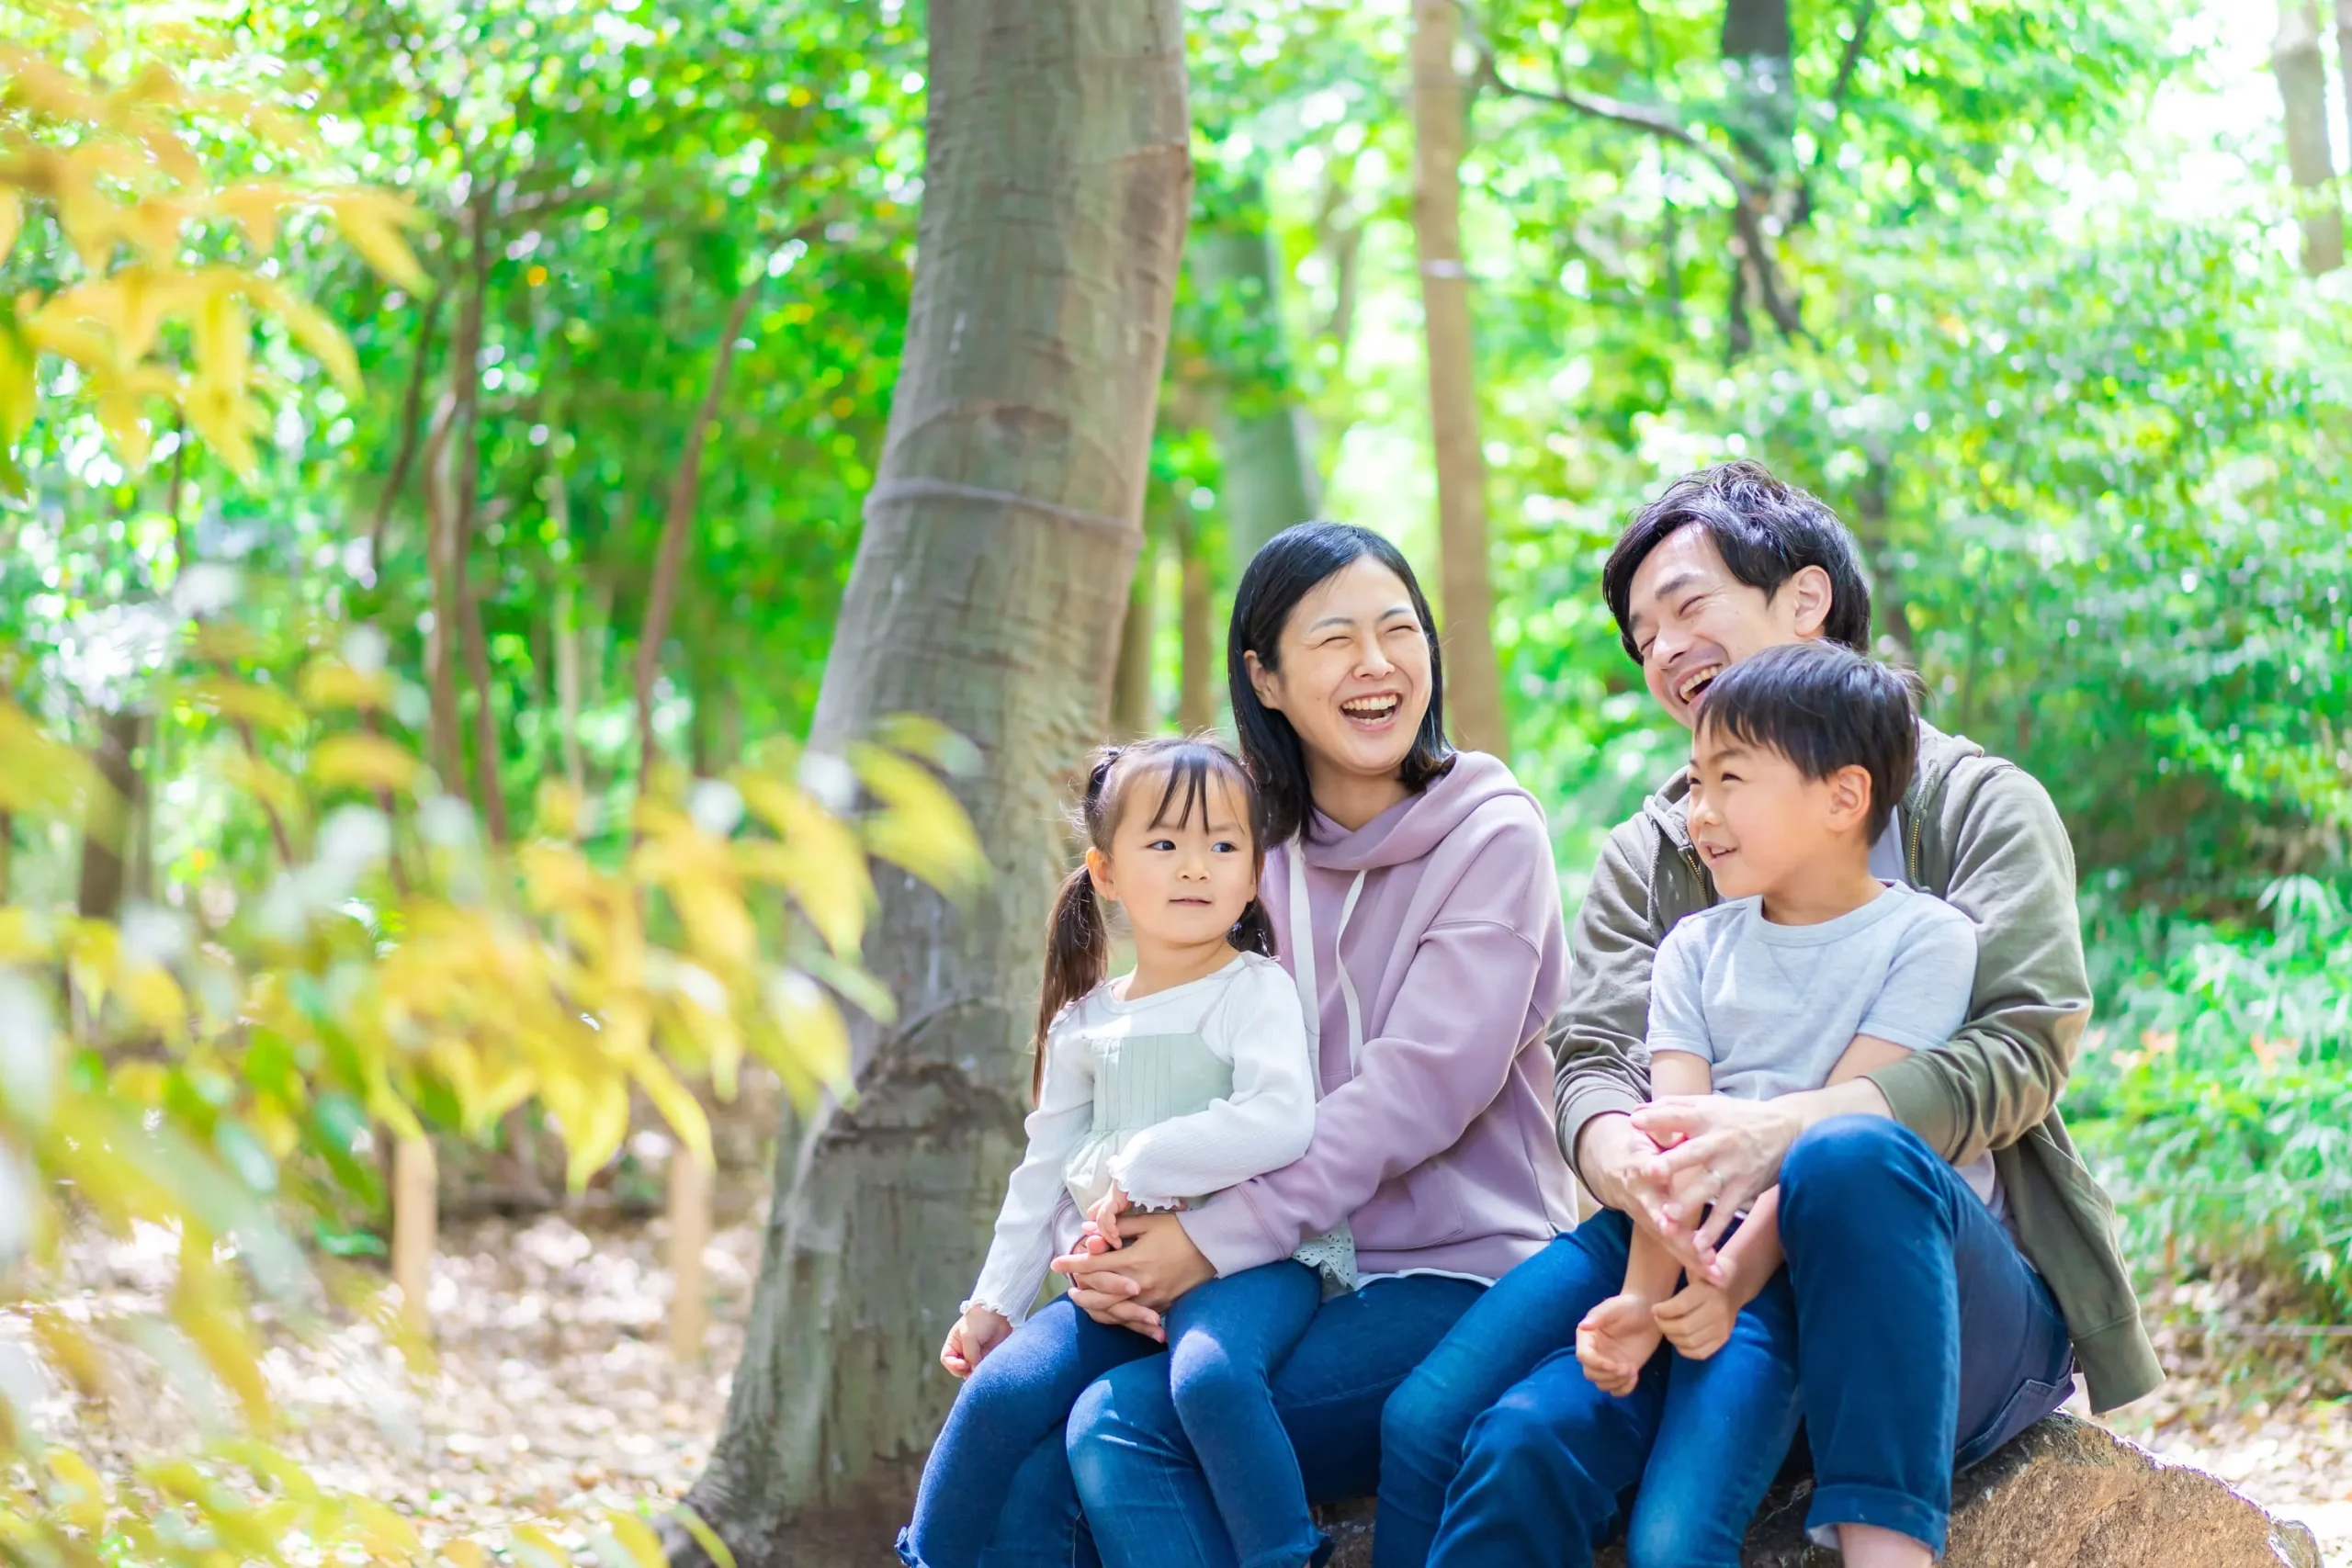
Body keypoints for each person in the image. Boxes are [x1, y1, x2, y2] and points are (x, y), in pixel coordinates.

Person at [1378, 460, 2160, 1568]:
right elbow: (1594, 1056)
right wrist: (1635, 1167)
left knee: (1846, 1163)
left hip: (1935, 1282)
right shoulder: (1661, 857)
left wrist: (1773, 1136)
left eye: (1687, 605)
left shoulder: (1978, 809)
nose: (1662, 650)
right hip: (1691, 1252)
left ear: (1807, 600)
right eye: (1641, 636)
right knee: (1517, 1439)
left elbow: (2020, 1047)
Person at [954, 522, 1576, 1568]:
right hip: (1264, 1273)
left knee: (1121, 1430)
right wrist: (1106, 1248)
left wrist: (1204, 1242)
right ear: (1266, 678)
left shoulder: (1490, 836)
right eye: (1335, 639)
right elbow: (1146, 1071)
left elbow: (1417, 1092)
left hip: (1444, 1274)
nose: (1377, 665)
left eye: (1398, 630)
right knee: (1022, 1461)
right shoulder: (1239, 845)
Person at [1499, 641, 1980, 1568]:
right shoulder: (1693, 946)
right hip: (1684, 1240)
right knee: (1460, 1413)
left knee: (1675, 1538)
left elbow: (1831, 1136)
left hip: (1821, 1257)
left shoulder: (1928, 938)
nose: (1699, 814)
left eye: (1729, 781)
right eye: (1692, 783)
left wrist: (1721, 1287)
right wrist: (1646, 1297)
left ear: (1843, 799)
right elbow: (1670, 1143)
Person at [899, 736, 1352, 1568]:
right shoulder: (1085, 1021)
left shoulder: (1254, 989)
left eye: (1223, 845)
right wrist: (995, 1299)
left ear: (1254, 874)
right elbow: (1042, 1170)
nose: (1195, 867)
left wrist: (1144, 1162)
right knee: (999, 1393)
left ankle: (1285, 1554)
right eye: (1166, 843)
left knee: (1209, 1378)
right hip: (1114, 1280)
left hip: (1253, 1264)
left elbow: (1281, 1117)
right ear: (1105, 872)